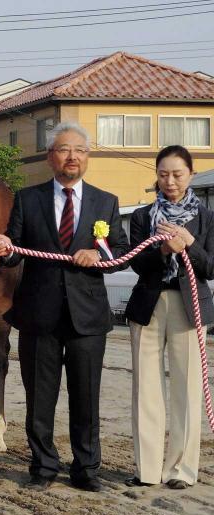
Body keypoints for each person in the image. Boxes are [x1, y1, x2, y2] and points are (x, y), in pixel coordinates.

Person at [0, 122, 129, 492]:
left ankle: (86, 469)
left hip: (87, 316)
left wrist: (97, 254)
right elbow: (13, 252)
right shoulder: (27, 199)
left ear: (88, 157)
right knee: (40, 397)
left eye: (80, 150)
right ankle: (43, 467)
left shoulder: (106, 202)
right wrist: (4, 250)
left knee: (86, 397)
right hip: (39, 315)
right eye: (65, 150)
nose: (73, 157)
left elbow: (121, 254)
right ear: (51, 156)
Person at [123, 145, 214, 490]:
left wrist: (189, 242)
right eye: (163, 174)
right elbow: (137, 264)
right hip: (147, 306)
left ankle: (181, 469)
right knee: (145, 387)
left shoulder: (207, 218)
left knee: (186, 389)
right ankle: (146, 469)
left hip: (189, 307)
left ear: (190, 174)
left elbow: (211, 267)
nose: (170, 181)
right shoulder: (144, 217)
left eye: (177, 174)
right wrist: (161, 249)